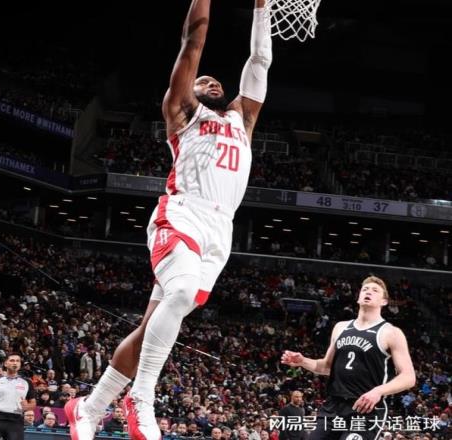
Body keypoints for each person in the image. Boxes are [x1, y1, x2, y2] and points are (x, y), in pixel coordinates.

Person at [65, 0, 272, 439]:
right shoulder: (183, 113)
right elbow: (192, 41)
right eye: (203, 80)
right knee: (180, 293)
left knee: (153, 327)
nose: (212, 81)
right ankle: (141, 398)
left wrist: (261, 7)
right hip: (182, 214)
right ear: (188, 89)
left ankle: (89, 407)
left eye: (217, 80)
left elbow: (259, 59)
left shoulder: (243, 118)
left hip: (221, 232)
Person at [281, 276, 416, 440]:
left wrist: (378, 391)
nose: (368, 292)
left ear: (384, 301)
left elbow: (409, 377)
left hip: (366, 408)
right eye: (365, 289)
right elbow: (326, 366)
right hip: (334, 406)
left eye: (375, 290)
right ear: (358, 297)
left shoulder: (391, 333)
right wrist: (302, 361)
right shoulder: (341, 327)